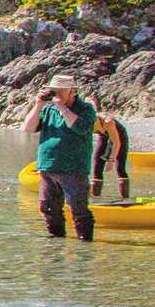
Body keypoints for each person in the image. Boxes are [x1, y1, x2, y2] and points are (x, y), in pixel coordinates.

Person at [21, 73, 98, 240]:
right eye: (54, 91)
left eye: (61, 91)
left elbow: (80, 127)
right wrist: (38, 105)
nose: (57, 95)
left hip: (73, 168)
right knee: (48, 207)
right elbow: (27, 128)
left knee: (78, 209)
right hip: (48, 167)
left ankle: (85, 246)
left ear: (72, 92)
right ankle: (56, 241)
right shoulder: (48, 110)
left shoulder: (86, 109)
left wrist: (63, 108)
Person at [92, 109, 131, 199]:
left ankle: (125, 198)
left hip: (119, 137)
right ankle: (95, 198)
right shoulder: (85, 122)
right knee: (96, 165)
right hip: (104, 136)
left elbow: (116, 143)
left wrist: (111, 160)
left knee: (120, 167)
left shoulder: (108, 122)